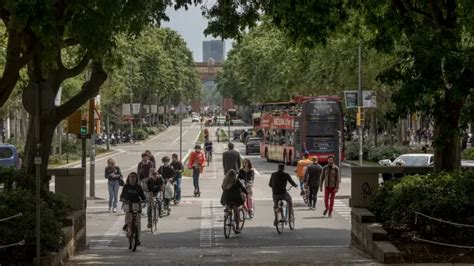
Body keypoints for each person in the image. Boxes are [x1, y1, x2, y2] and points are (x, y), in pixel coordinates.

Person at [120, 172, 146, 245]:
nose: (132, 178)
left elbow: (142, 196)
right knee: (128, 216)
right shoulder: (126, 186)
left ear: (136, 178)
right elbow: (122, 196)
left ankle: (138, 238)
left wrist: (144, 200)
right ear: (129, 178)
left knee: (138, 221)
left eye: (134, 177)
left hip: (136, 203)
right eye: (131, 177)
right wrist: (123, 199)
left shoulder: (138, 187)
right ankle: (127, 227)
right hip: (128, 203)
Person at [221, 169, 248, 234]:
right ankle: (237, 227)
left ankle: (227, 213)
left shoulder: (225, 181)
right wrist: (247, 193)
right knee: (236, 212)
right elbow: (242, 188)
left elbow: (222, 187)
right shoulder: (236, 181)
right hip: (235, 200)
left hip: (226, 199)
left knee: (228, 205)